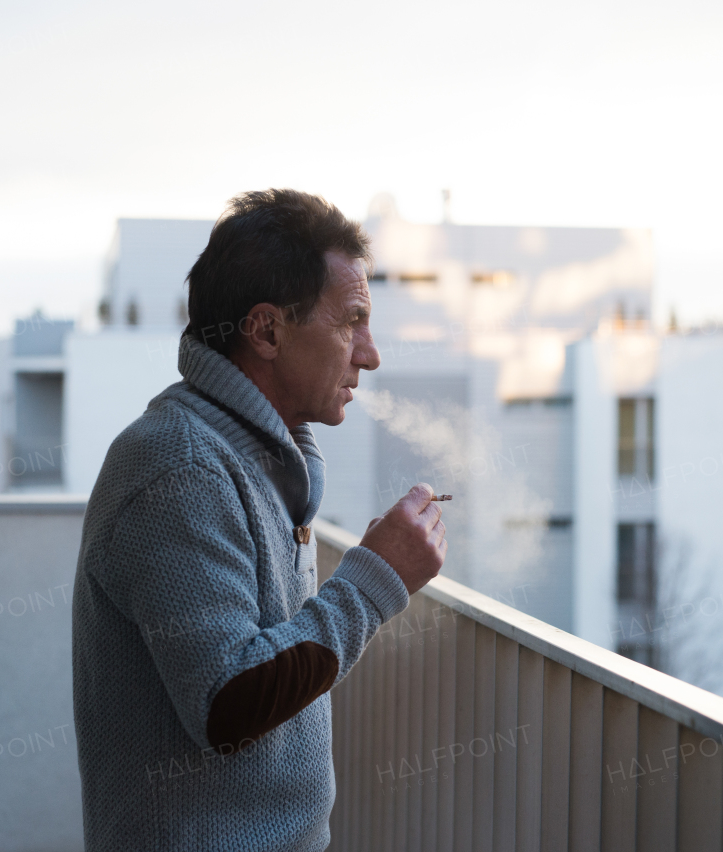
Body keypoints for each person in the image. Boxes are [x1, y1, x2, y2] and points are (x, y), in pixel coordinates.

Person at [71, 188, 447, 850]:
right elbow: (227, 700)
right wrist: (376, 578)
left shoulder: (251, 460)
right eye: (351, 321)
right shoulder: (180, 468)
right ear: (268, 330)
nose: (370, 353)